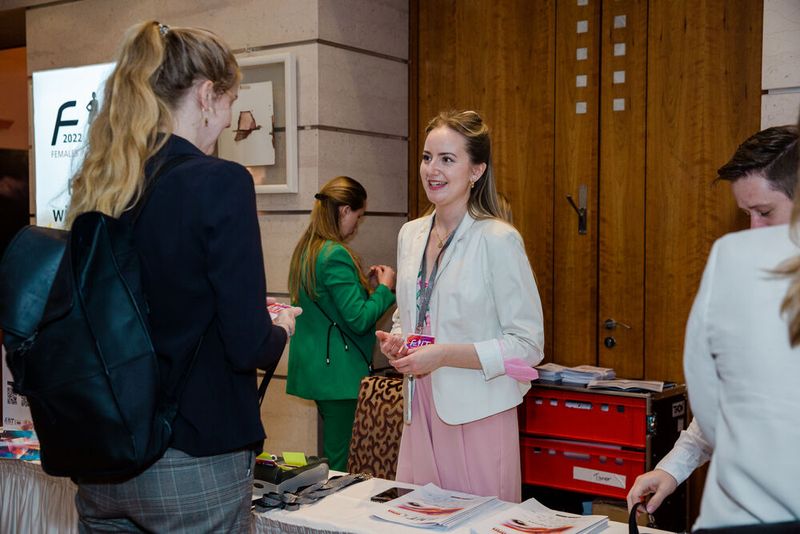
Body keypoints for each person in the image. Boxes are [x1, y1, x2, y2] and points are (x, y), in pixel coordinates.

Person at [64, 21, 300, 532]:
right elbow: (247, 344)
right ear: (207, 95)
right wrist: (280, 328)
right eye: (231, 102)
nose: (229, 119)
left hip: (103, 456)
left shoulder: (105, 181)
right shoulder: (220, 182)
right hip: (190, 458)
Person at [627, 124, 799, 516]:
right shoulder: (750, 281)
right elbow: (728, 400)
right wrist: (672, 468)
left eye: (765, 213)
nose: (753, 230)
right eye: (747, 215)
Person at [376, 110, 544, 502]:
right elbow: (410, 313)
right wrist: (399, 341)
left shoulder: (498, 239)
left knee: (477, 522)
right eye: (427, 157)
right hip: (419, 408)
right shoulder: (410, 234)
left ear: (476, 170)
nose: (432, 170)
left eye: (447, 159)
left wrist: (444, 355)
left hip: (479, 411)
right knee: (417, 520)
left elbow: (528, 345)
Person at [286, 176, 396, 471]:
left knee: (333, 455)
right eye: (358, 217)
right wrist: (385, 289)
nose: (356, 226)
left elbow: (333, 308)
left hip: (318, 370)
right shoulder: (335, 254)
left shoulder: (307, 250)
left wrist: (366, 289)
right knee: (339, 463)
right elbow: (359, 320)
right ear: (345, 210)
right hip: (339, 375)